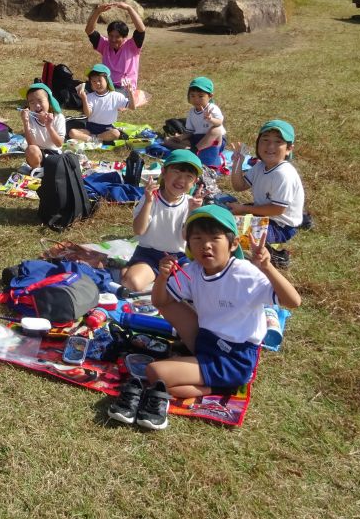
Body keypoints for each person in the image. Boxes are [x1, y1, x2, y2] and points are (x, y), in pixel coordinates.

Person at [108, 206, 301, 430]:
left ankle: (221, 386)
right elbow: (161, 302)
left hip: (234, 358)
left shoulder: (246, 274)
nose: (205, 245)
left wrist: (267, 267)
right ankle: (199, 372)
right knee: (170, 305)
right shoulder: (194, 270)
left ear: (233, 244)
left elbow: (293, 301)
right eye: (197, 238)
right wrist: (162, 277)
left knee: (155, 372)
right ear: (188, 245)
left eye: (215, 238)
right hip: (207, 341)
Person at [121, 150, 204, 291]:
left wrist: (192, 211)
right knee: (133, 283)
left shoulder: (190, 203)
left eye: (188, 176)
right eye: (177, 172)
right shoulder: (151, 198)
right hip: (149, 254)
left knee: (196, 285)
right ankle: (130, 271)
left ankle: (155, 276)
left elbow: (186, 236)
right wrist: (148, 202)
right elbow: (138, 230)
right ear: (164, 172)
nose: (181, 180)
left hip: (178, 257)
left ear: (195, 182)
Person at [227, 120, 305, 269]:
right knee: (224, 218)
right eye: (265, 140)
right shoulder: (260, 166)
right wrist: (238, 162)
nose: (270, 147)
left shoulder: (283, 174)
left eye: (278, 142)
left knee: (235, 237)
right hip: (263, 213)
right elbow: (239, 186)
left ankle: (277, 256)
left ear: (289, 149)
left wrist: (244, 209)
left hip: (280, 225)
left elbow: (277, 209)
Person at [84, 2, 146, 97]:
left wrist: (129, 8)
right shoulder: (104, 44)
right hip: (105, 84)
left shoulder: (132, 46)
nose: (113, 39)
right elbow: (89, 31)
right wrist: (98, 11)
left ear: (125, 37)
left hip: (124, 87)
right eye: (111, 36)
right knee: (81, 90)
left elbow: (141, 29)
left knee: (108, 97)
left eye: (117, 37)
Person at [164, 77, 226, 167]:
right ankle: (191, 150)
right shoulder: (191, 112)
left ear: (210, 96)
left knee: (216, 130)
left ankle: (194, 150)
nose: (196, 99)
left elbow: (219, 123)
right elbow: (190, 131)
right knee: (167, 140)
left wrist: (210, 119)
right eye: (193, 96)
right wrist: (181, 137)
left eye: (200, 96)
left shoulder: (212, 108)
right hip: (198, 140)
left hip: (214, 141)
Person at [67, 64, 137, 143]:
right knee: (72, 132)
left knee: (116, 133)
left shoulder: (116, 96)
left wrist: (130, 93)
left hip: (107, 129)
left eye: (100, 80)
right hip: (90, 129)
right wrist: (84, 99)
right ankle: (95, 139)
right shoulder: (89, 97)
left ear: (107, 80)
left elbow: (132, 107)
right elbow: (87, 114)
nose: (97, 83)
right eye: (94, 81)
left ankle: (93, 139)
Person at [20, 83, 66, 175]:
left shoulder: (58, 117)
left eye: (40, 101)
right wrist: (25, 122)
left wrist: (48, 126)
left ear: (49, 101)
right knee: (31, 149)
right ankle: (37, 171)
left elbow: (59, 143)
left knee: (57, 170)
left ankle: (45, 171)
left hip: (55, 155)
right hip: (38, 154)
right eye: (32, 103)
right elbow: (31, 144)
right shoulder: (30, 118)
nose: (37, 105)